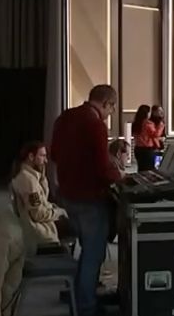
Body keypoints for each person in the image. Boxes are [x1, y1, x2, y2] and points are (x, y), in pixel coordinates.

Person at [51, 84, 123, 316]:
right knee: (94, 253)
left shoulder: (65, 117)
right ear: (106, 103)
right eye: (112, 108)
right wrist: (121, 177)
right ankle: (86, 306)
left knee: (86, 249)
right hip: (89, 199)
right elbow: (102, 167)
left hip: (67, 195)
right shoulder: (95, 124)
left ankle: (79, 295)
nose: (111, 113)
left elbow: (54, 154)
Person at [11, 140, 70, 245]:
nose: (46, 161)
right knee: (75, 227)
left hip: (42, 221)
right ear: (31, 157)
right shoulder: (28, 181)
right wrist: (59, 212)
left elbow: (44, 200)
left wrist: (42, 177)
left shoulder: (33, 177)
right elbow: (38, 214)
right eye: (42, 156)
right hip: (38, 227)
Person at [132, 105, 159, 172]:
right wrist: (161, 126)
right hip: (147, 150)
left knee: (141, 168)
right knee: (149, 169)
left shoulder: (136, 123)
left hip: (138, 149)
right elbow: (156, 134)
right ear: (146, 113)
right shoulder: (148, 124)